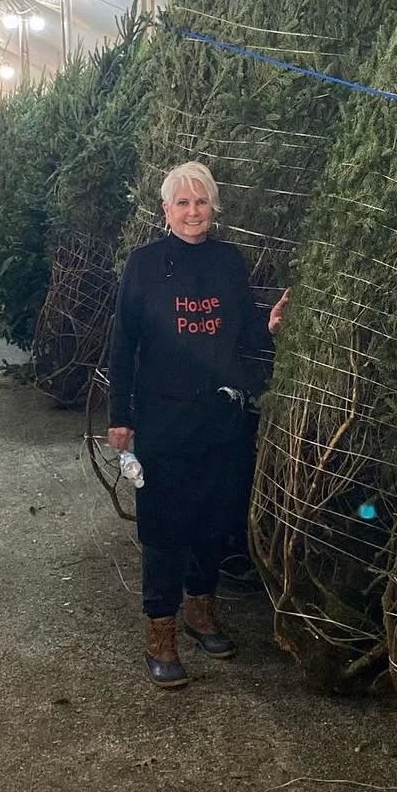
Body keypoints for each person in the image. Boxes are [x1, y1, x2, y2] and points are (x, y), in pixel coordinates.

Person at [107, 161, 288, 688]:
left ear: (213, 208)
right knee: (165, 528)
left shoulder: (229, 261)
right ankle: (160, 632)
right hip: (164, 420)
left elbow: (244, 330)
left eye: (201, 201)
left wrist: (268, 326)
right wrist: (121, 415)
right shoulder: (144, 266)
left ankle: (201, 611)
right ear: (166, 212)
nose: (193, 212)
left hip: (220, 418)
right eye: (182, 203)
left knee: (213, 522)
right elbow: (124, 345)